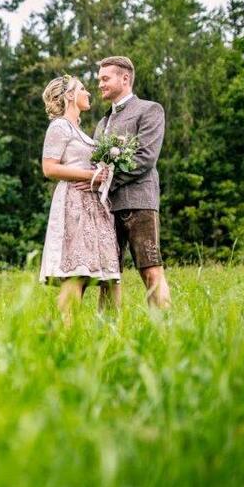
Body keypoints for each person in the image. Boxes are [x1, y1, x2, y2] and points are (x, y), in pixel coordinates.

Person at [74, 56, 172, 309]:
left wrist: (104, 181)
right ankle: (107, 331)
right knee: (108, 274)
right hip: (105, 208)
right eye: (99, 80)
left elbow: (146, 157)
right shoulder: (102, 123)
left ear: (125, 78)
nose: (100, 85)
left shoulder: (150, 110)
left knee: (149, 267)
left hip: (139, 203)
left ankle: (166, 328)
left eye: (105, 79)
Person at [39, 75, 119, 324]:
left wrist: (102, 174)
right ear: (69, 96)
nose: (88, 92)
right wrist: (89, 174)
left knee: (105, 273)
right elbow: (49, 168)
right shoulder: (59, 127)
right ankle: (65, 333)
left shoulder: (79, 131)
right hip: (74, 203)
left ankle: (110, 332)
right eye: (82, 88)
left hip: (94, 204)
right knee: (76, 270)